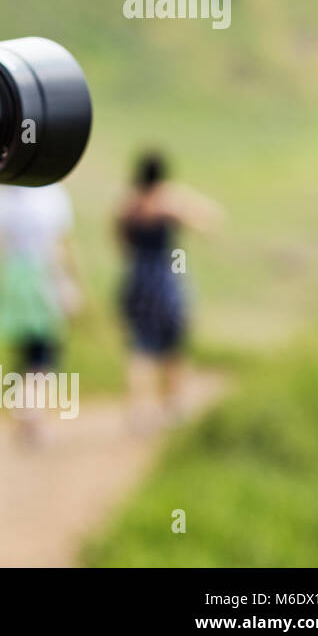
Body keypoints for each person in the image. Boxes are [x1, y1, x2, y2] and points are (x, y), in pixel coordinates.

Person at [115, 150, 223, 430]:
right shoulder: (168, 202)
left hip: (137, 276)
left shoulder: (129, 204)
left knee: (140, 348)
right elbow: (209, 221)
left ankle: (138, 411)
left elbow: (120, 239)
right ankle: (173, 405)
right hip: (166, 276)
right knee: (173, 345)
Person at [0, 183, 81, 445]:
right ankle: (32, 418)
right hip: (43, 278)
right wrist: (72, 284)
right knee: (43, 353)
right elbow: (62, 246)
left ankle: (24, 416)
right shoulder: (51, 196)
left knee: (24, 354)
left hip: (11, 278)